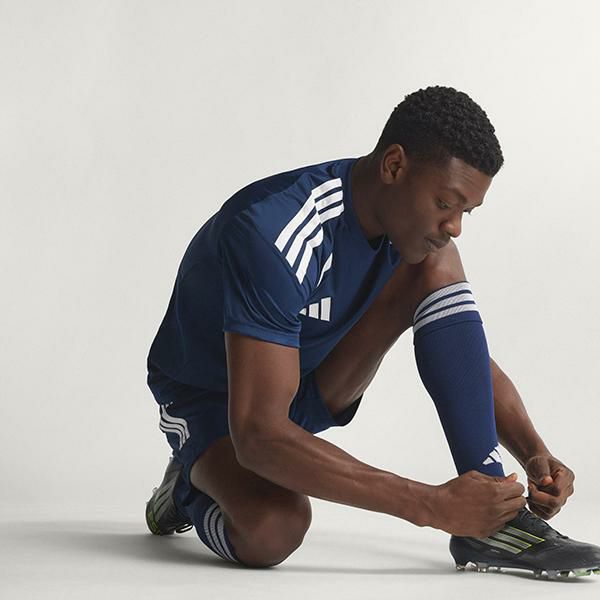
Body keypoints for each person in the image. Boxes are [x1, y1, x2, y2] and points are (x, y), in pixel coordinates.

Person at [145, 86, 600, 579]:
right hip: (219, 406)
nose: (455, 226)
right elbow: (258, 434)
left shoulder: (407, 233)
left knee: (435, 263)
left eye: (465, 212)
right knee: (274, 528)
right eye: (445, 203)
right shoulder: (273, 231)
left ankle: (495, 522)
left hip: (306, 381)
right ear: (394, 165)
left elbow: (466, 362)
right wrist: (430, 504)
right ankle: (189, 487)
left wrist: (533, 452)